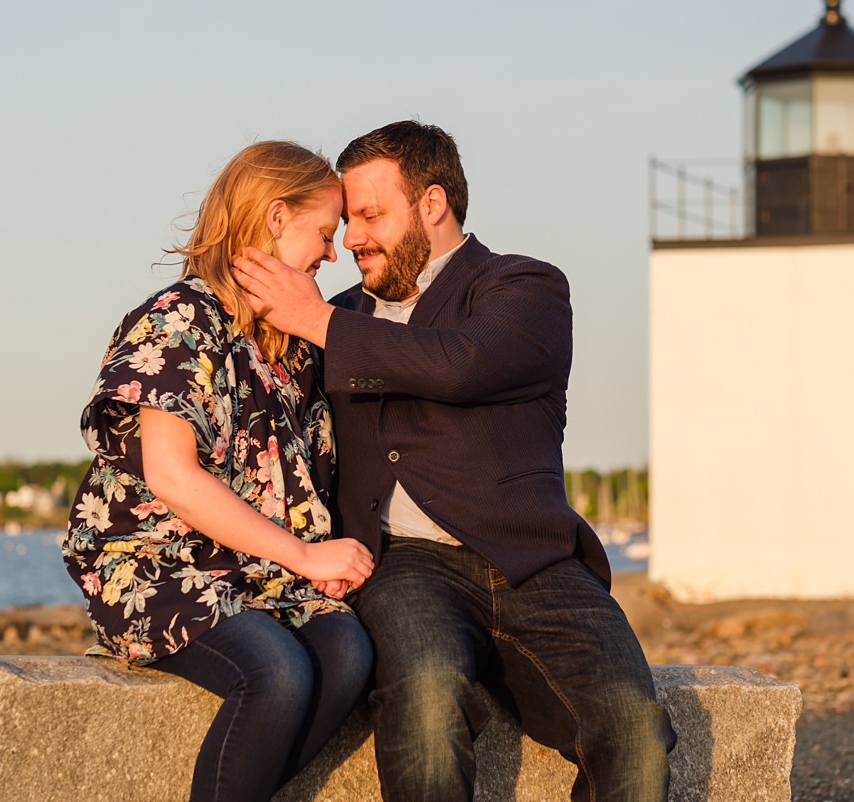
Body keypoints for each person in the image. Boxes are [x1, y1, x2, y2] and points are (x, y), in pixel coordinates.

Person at [233, 121, 676, 801]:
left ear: (432, 204)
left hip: (532, 557)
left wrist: (320, 323)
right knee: (426, 694)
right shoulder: (333, 312)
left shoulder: (523, 289)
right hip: (404, 561)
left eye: (372, 216)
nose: (350, 238)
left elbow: (463, 365)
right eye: (347, 220)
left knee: (634, 727)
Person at [62, 140, 375, 802]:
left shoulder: (292, 345)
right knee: (279, 674)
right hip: (155, 564)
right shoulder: (179, 319)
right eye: (324, 232)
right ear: (276, 219)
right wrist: (306, 555)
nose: (333, 252)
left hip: (257, 572)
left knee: (347, 657)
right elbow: (173, 478)